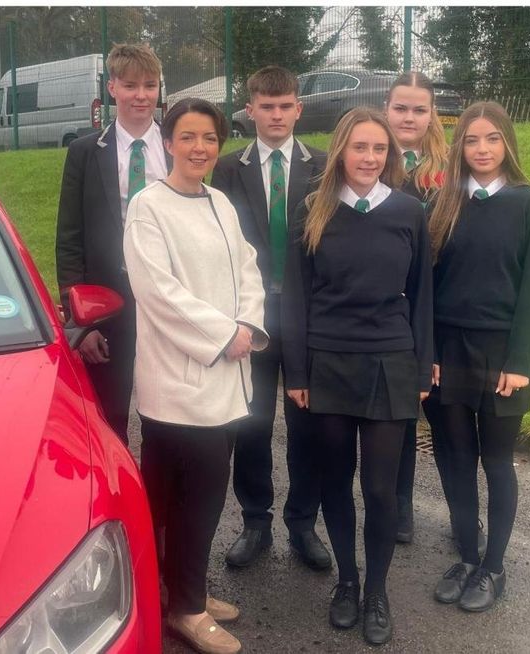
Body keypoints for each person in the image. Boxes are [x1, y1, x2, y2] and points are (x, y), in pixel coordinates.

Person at [282, 107, 433, 646]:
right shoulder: (310, 211)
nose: (370, 158)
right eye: (359, 148)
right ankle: (346, 582)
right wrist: (296, 369)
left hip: (390, 360)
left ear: (389, 155)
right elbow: (296, 296)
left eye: (379, 149)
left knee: (381, 490)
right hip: (328, 361)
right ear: (341, 151)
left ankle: (377, 591)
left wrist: (421, 364)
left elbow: (422, 297)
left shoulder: (410, 212)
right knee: (335, 483)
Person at [124, 97, 267, 654]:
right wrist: (223, 335)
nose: (199, 148)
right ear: (168, 142)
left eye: (209, 138)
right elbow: (158, 292)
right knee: (192, 501)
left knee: (194, 498)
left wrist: (250, 325)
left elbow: (248, 267)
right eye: (187, 137)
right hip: (181, 382)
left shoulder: (220, 203)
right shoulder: (147, 206)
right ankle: (184, 608)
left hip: (227, 372)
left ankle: (184, 590)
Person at [426, 101, 530, 613]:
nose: (481, 149)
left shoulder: (528, 202)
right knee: (455, 458)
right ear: (460, 147)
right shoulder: (443, 201)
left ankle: (493, 567)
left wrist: (519, 361)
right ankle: (467, 555)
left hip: (502, 356)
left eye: (491, 139)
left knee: (495, 461)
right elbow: (428, 286)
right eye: (472, 140)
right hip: (448, 352)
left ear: (507, 144)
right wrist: (427, 351)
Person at [211, 65, 331, 570]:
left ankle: (303, 524)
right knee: (252, 424)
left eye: (285, 106)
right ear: (250, 110)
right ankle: (256, 521)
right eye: (266, 106)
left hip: (307, 318)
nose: (276, 114)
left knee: (308, 426)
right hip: (253, 317)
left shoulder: (325, 166)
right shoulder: (227, 168)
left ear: (298, 109)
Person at [55, 43, 169, 444]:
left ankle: (162, 498)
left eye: (150, 86)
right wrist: (79, 324)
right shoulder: (85, 153)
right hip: (108, 303)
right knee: (109, 416)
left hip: (166, 298)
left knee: (168, 414)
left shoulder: (178, 147)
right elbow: (69, 239)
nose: (142, 95)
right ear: (112, 88)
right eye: (132, 85)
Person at [383, 70, 451, 546]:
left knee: (434, 416)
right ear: (387, 109)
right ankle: (393, 503)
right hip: (386, 311)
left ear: (432, 116)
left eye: (419, 109)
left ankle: (457, 516)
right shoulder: (368, 160)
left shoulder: (448, 174)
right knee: (394, 413)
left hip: (438, 308)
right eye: (400, 108)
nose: (409, 117)